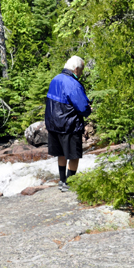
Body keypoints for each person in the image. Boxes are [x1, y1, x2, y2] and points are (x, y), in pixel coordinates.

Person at [45, 56, 92, 192]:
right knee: (73, 155)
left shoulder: (55, 79)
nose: (81, 73)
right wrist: (89, 109)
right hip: (69, 125)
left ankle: (62, 181)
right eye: (81, 70)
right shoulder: (73, 84)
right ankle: (70, 183)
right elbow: (83, 108)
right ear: (76, 69)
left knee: (61, 153)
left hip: (54, 124)